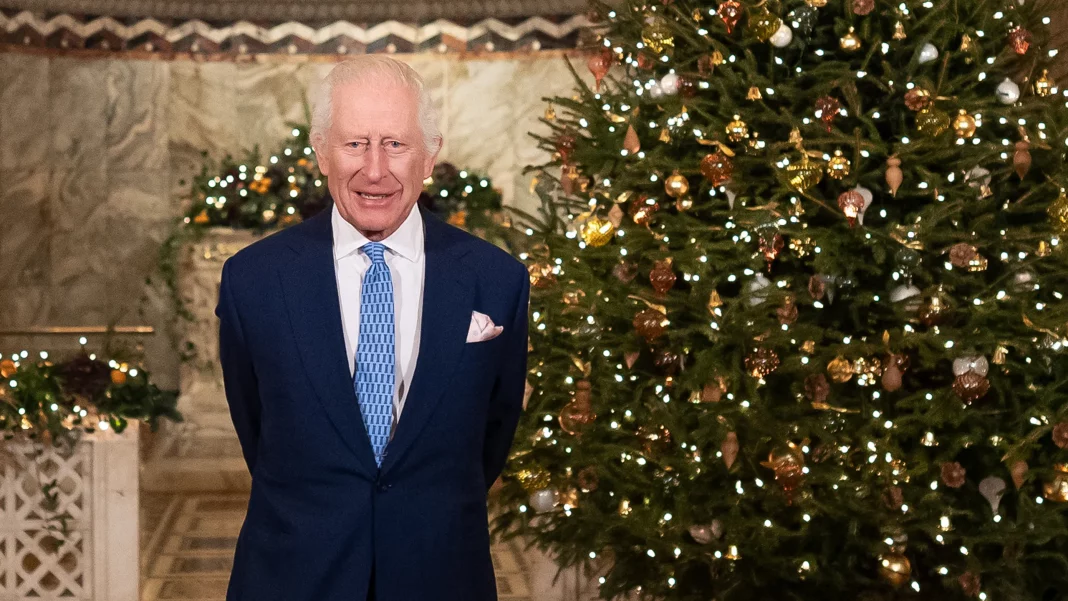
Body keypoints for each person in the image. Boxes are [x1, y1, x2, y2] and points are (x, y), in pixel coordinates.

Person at [214, 56, 530, 601]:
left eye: (396, 144)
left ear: (430, 154)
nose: (375, 170)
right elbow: (257, 427)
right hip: (294, 576)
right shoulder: (254, 281)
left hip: (440, 576)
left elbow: (492, 435)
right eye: (355, 143)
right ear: (321, 152)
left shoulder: (497, 281)